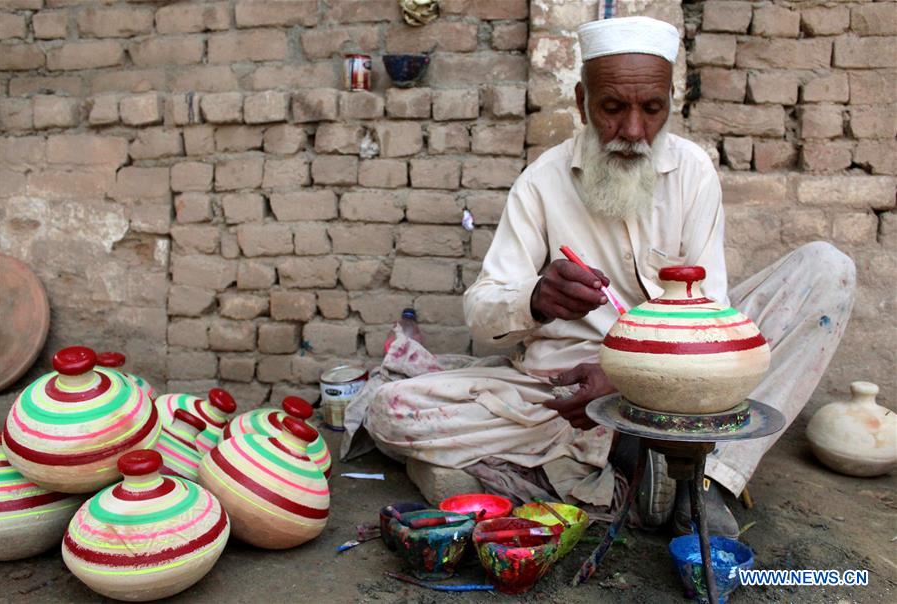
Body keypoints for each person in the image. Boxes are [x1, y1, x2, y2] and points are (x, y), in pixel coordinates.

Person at [351, 16, 855, 537]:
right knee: (391, 410)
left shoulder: (693, 172)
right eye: (613, 108)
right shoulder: (541, 183)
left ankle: (707, 484)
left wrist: (629, 376)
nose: (634, 132)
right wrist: (536, 299)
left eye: (652, 109)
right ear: (581, 102)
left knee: (826, 270)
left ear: (668, 102)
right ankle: (636, 455)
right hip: (568, 394)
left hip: (685, 372)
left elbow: (711, 303)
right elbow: (481, 313)